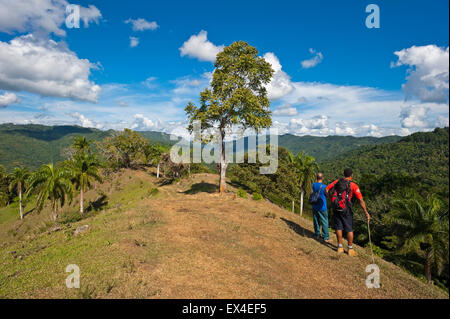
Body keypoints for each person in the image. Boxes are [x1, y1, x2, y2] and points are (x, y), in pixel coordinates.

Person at [326, 168, 370, 256]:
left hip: (336, 208)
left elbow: (327, 189)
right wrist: (366, 212)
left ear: (344, 174)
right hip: (347, 210)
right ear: (352, 175)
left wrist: (331, 199)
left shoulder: (337, 181)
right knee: (349, 229)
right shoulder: (354, 186)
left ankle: (340, 247)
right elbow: (361, 200)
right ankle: (350, 249)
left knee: (338, 227)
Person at [311, 172, 331, 243]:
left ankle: (317, 234)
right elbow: (328, 195)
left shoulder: (313, 185)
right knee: (324, 221)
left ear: (316, 177)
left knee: (316, 220)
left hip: (315, 205)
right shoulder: (325, 187)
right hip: (322, 207)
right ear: (322, 178)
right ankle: (325, 236)